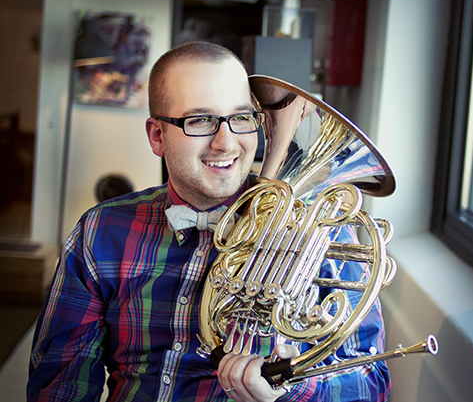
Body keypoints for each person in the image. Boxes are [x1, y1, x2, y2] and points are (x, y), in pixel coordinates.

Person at [27, 41, 391, 402]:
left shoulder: (318, 230)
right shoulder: (102, 231)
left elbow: (370, 382)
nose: (226, 143)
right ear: (157, 136)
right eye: (200, 120)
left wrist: (294, 388)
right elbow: (60, 383)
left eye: (241, 118)